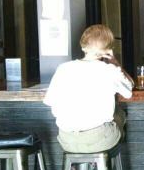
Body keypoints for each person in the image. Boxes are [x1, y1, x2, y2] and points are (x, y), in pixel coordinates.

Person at [44, 24, 133, 154]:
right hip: (98, 140)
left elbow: (50, 102)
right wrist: (114, 61)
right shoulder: (108, 70)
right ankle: (104, 159)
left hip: (66, 140)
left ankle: (85, 162)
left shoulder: (63, 68)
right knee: (120, 114)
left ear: (83, 46)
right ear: (107, 49)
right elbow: (129, 90)